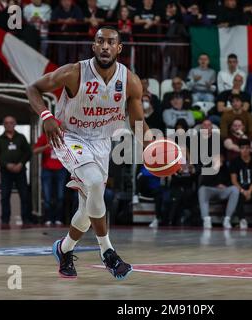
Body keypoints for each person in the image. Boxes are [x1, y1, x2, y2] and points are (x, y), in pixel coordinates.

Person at [26, 26, 151, 280]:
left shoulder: (130, 81)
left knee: (87, 210)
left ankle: (64, 249)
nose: (105, 46)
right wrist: (47, 116)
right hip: (69, 137)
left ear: (119, 48)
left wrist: (155, 148)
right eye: (100, 42)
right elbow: (33, 88)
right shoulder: (74, 72)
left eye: (111, 42)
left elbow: (139, 125)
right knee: (94, 183)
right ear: (94, 46)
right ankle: (108, 252)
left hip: (102, 143)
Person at [0, 116, 32, 225]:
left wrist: (21, 163)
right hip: (6, 172)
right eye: (6, 123)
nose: (9, 124)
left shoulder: (21, 137)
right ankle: (5, 220)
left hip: (20, 171)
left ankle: (26, 219)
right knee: (5, 196)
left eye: (11, 122)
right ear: (3, 125)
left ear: (15, 124)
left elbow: (28, 153)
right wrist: (7, 165)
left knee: (24, 196)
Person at [33, 132, 68, 226]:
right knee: (47, 195)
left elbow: (75, 149)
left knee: (60, 196)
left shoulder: (65, 136)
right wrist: (46, 146)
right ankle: (48, 218)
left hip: (61, 168)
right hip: (47, 169)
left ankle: (58, 218)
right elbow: (35, 151)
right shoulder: (44, 137)